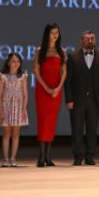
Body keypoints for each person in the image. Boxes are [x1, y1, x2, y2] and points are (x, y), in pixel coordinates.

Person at [64, 30, 99, 165]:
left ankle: (89, 156)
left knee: (92, 129)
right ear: (81, 41)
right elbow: (68, 80)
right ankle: (78, 156)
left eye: (92, 38)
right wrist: (69, 99)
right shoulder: (73, 56)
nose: (90, 41)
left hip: (94, 100)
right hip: (77, 100)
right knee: (77, 129)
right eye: (87, 38)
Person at [33, 23, 67, 167]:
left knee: (52, 122)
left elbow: (64, 72)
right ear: (47, 34)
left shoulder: (61, 51)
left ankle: (48, 157)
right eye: (52, 32)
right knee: (43, 121)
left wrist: (58, 88)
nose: (55, 35)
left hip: (56, 91)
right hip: (43, 90)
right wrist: (47, 88)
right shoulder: (40, 50)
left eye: (57, 33)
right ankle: (41, 157)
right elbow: (36, 71)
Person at [0, 52, 28, 167]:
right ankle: (5, 159)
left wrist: (23, 110)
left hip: (18, 107)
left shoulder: (22, 76)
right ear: (8, 63)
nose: (16, 63)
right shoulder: (3, 76)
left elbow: (25, 95)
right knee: (6, 133)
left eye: (18, 61)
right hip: (6, 107)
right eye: (13, 61)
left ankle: (13, 158)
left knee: (15, 134)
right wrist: (0, 110)